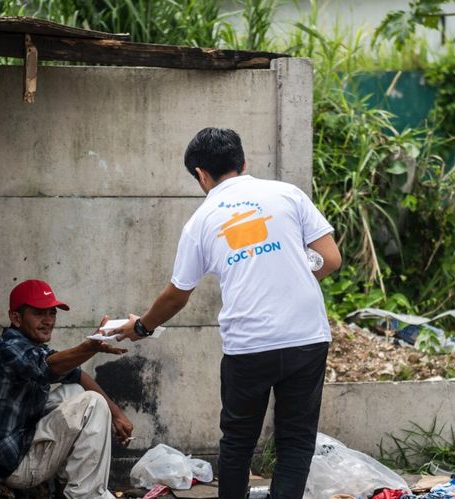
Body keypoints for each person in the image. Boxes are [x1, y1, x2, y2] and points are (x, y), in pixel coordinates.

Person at [109, 127, 341, 499]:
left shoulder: (201, 221)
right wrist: (287, 269)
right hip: (306, 338)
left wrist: (141, 326)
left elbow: (176, 296)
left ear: (201, 174)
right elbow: (330, 259)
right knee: (296, 442)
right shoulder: (287, 194)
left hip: (249, 346)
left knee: (237, 443)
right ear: (243, 162)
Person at [0, 279, 134, 498]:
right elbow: (49, 367)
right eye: (39, 313)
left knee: (77, 392)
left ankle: (65, 485)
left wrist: (116, 414)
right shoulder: (11, 348)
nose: (48, 321)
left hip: (10, 449)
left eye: (52, 313)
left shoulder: (26, 345)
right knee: (93, 404)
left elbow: (75, 374)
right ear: (16, 318)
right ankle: (87, 495)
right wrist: (90, 346)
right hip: (3, 466)